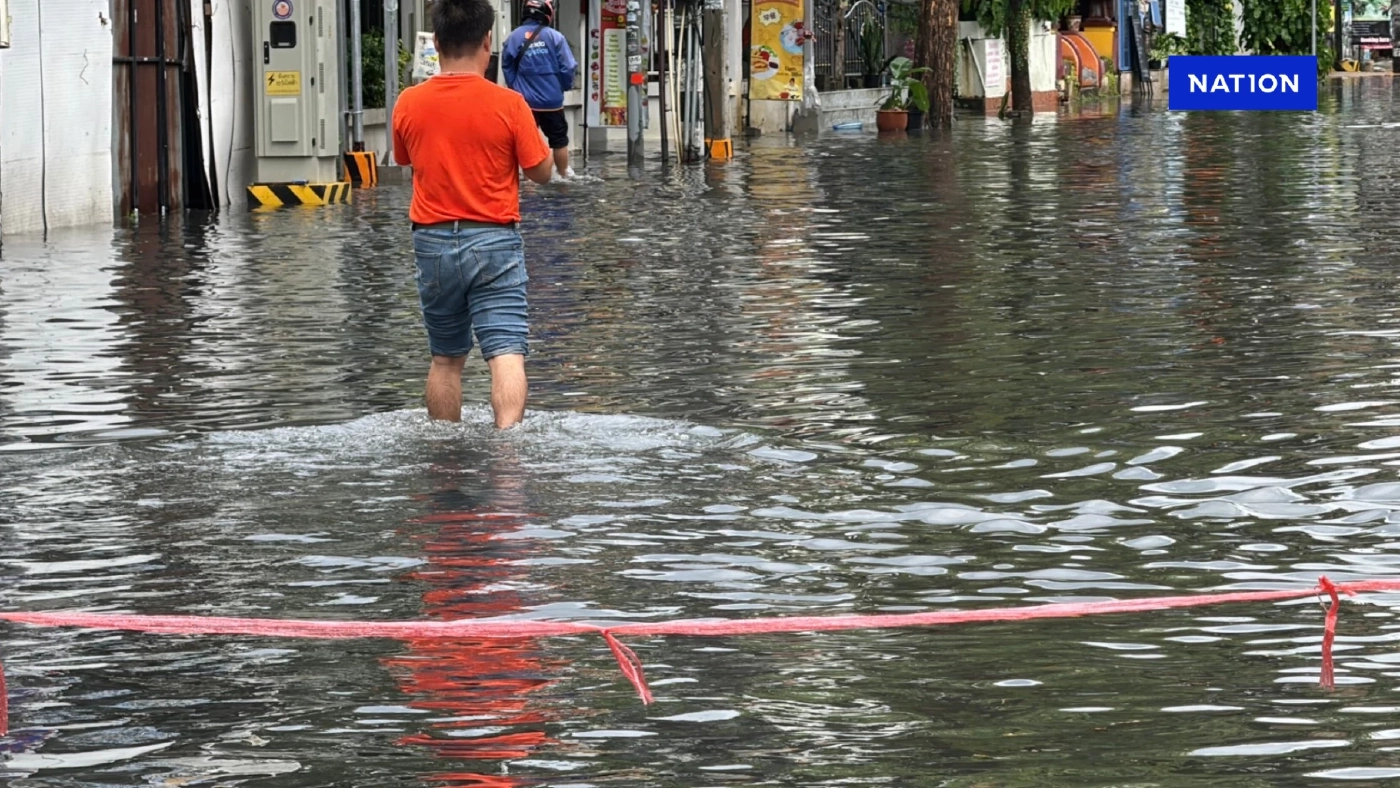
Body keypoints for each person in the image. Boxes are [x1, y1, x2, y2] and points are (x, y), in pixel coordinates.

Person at [392, 0, 553, 429]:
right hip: (494, 240)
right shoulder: (510, 104)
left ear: (437, 43)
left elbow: (404, 159)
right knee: (506, 352)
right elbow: (542, 173)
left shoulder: (408, 102)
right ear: (487, 42)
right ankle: (508, 458)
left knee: (445, 359)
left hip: (432, 242)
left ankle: (445, 457)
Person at [502, 0, 578, 179]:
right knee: (559, 140)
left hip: (525, 103)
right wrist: (564, 86)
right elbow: (568, 67)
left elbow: (507, 66)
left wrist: (515, 88)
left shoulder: (513, 37)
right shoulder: (555, 37)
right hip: (552, 101)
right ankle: (563, 173)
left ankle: (525, 176)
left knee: (523, 141)